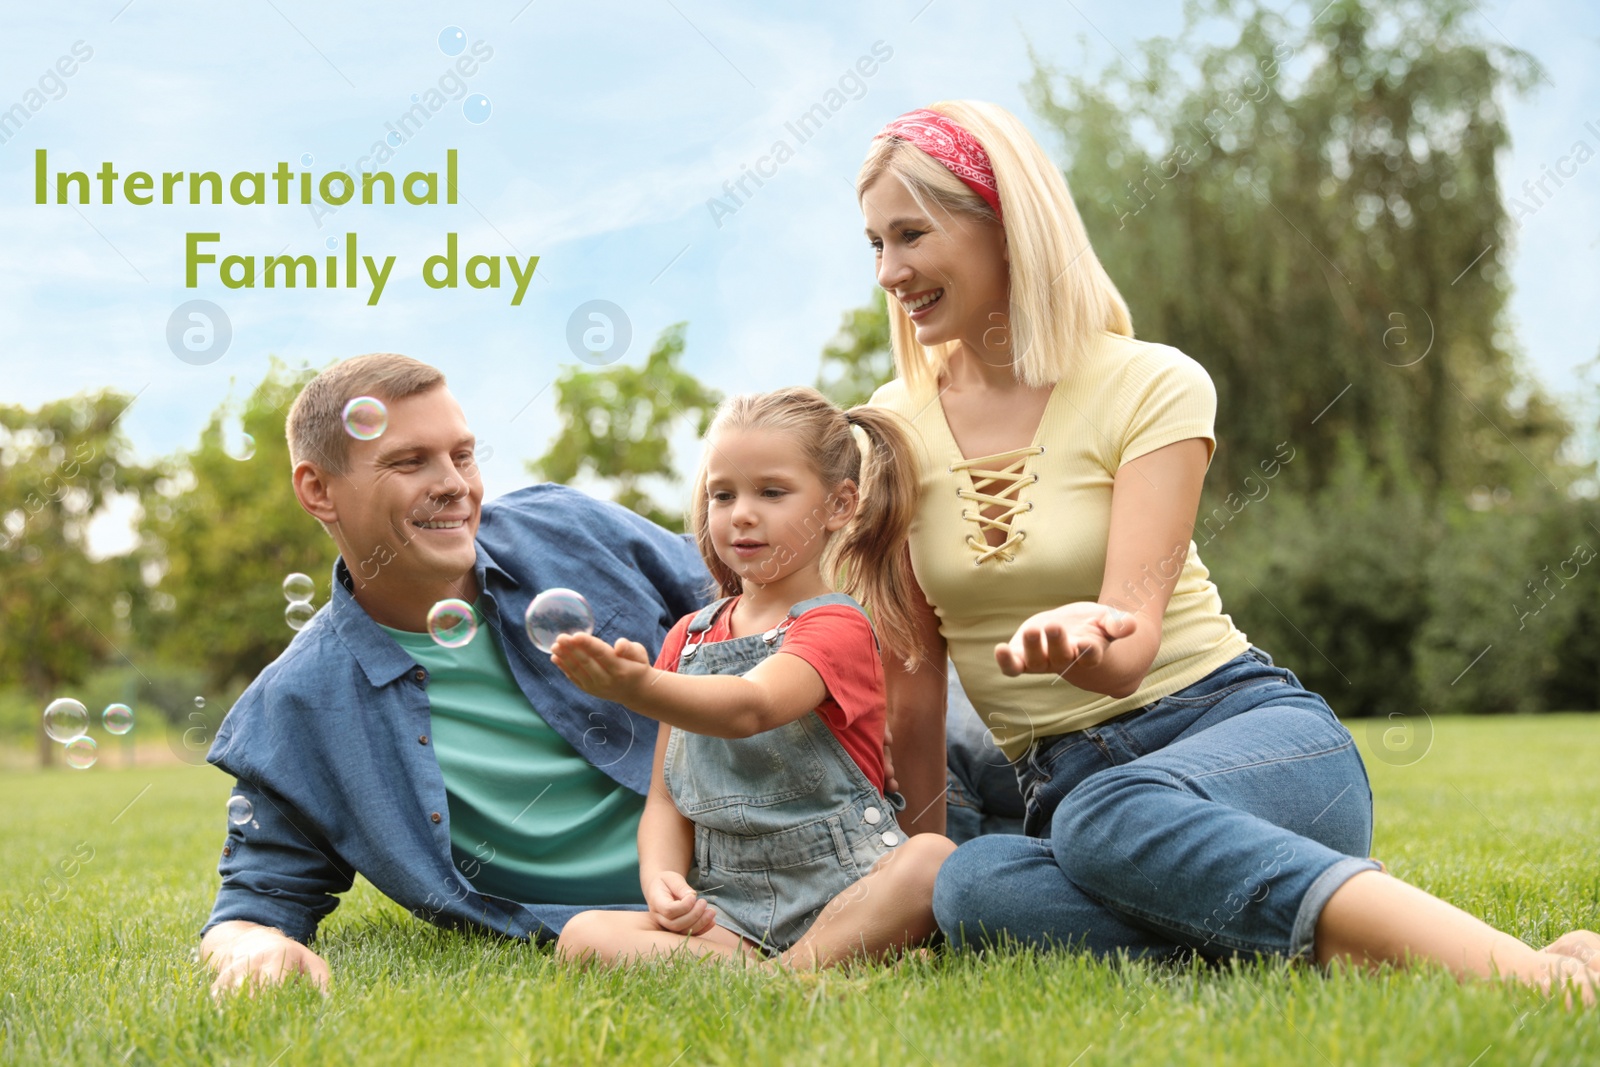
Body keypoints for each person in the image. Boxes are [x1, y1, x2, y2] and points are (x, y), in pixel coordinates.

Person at [857, 101, 1600, 998]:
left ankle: (1527, 976)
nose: (891, 271)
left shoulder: (1151, 382)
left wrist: (1082, 640)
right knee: (969, 885)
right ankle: (1335, 928)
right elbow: (912, 672)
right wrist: (913, 856)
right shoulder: (887, 428)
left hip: (1248, 742)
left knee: (1105, 817)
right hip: (1068, 790)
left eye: (911, 234)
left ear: (1006, 220)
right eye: (875, 244)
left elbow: (1128, 651)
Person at [198, 353, 713, 995]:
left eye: (462, 455)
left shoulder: (570, 531)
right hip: (625, 934)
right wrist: (252, 950)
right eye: (409, 462)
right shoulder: (299, 702)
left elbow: (755, 600)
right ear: (318, 490)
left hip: (766, 848)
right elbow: (256, 900)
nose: (455, 485)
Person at [549, 387, 956, 968]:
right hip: (731, 910)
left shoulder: (836, 623)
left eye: (772, 492)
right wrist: (662, 878)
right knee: (582, 936)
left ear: (840, 506)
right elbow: (667, 797)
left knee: (930, 860)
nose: (741, 512)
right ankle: (785, 974)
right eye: (723, 494)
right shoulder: (688, 637)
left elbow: (753, 705)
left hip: (850, 891)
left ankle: (788, 973)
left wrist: (635, 688)